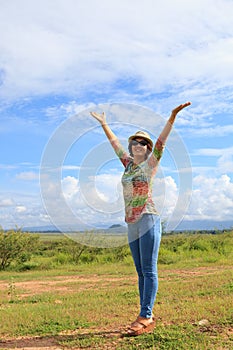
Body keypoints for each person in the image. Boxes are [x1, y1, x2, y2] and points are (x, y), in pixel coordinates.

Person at [90, 102, 191, 336]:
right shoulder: (127, 166)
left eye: (142, 143)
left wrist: (172, 116)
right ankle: (145, 313)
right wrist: (104, 124)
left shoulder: (150, 164)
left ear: (147, 149)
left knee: (149, 268)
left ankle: (146, 315)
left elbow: (161, 143)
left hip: (148, 218)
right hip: (131, 222)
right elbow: (114, 145)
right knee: (139, 270)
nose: (138, 145)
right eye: (134, 142)